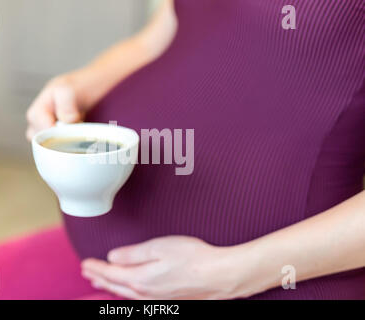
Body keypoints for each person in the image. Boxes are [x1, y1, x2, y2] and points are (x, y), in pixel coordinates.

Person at [26, 0, 365, 299]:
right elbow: (160, 36)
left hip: (271, 284)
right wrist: (81, 84)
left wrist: (230, 275)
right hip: (111, 270)